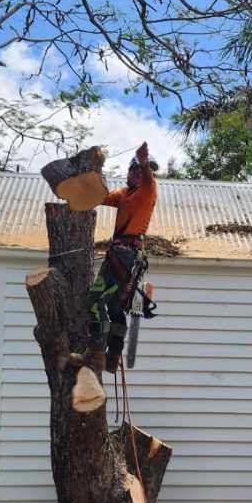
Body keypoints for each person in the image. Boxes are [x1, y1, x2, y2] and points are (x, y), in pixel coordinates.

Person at [87, 143, 157, 371]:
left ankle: (97, 353)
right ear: (128, 173)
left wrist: (144, 161)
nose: (140, 174)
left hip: (127, 257)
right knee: (115, 308)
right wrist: (89, 179)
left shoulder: (149, 191)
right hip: (119, 254)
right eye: (135, 170)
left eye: (142, 171)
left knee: (95, 301)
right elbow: (102, 197)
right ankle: (112, 356)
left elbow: (148, 176)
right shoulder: (123, 194)